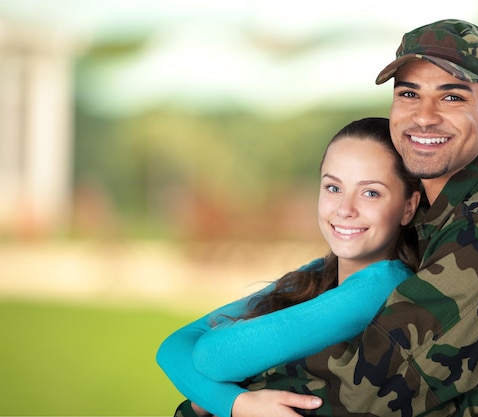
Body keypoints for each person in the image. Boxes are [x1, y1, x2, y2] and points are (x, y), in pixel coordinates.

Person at [223, 19, 478, 416]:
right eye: (409, 93)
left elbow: (372, 386)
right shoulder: (438, 210)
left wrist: (229, 399)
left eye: (452, 98)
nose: (424, 117)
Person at [157, 117, 423, 417]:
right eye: (333, 187)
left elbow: (212, 356)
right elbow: (172, 346)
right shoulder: (317, 274)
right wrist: (238, 403)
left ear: (408, 207)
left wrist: (209, 393)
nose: (345, 209)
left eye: (370, 192)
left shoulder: (383, 286)